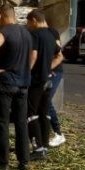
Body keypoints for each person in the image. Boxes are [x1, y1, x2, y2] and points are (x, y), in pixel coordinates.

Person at [0, 3, 32, 170]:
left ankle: (3, 162)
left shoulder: (5, 31)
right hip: (23, 84)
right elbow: (33, 55)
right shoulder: (26, 33)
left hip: (6, 83)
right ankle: (24, 161)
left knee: (2, 122)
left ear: (1, 16)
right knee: (21, 122)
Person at [26, 9, 63, 160]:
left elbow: (33, 55)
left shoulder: (35, 34)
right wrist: (48, 68)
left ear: (34, 20)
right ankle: (45, 145)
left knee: (31, 114)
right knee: (44, 112)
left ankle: (38, 149)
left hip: (36, 80)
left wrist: (26, 72)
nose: (29, 26)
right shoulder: (50, 34)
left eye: (29, 23)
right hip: (48, 79)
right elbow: (60, 56)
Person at [46, 23, 66, 147]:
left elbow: (59, 54)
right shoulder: (34, 33)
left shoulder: (51, 32)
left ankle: (58, 133)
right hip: (46, 71)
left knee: (47, 100)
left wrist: (47, 69)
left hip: (55, 70)